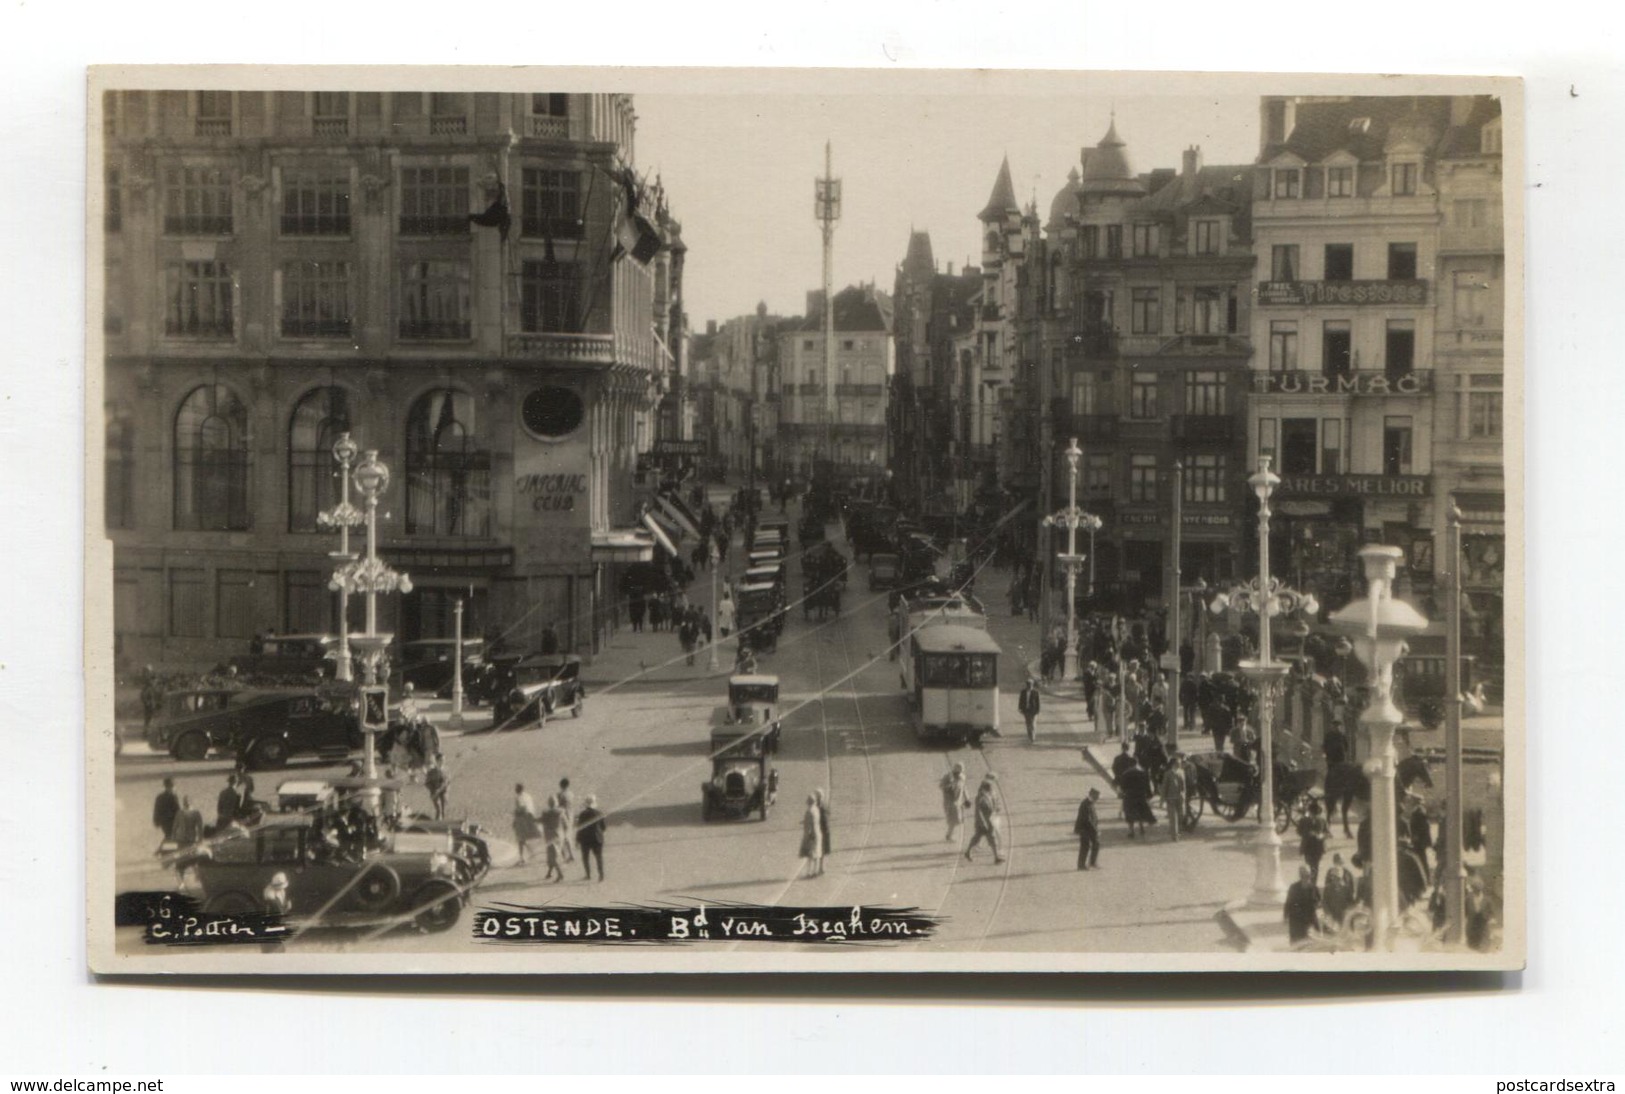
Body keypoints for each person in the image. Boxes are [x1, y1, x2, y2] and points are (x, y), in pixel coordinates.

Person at [964, 775, 1004, 863]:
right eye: (989, 787)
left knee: (978, 838)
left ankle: (968, 852)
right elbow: (978, 811)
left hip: (989, 820)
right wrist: (983, 823)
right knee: (989, 838)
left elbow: (994, 803)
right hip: (983, 822)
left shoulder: (989, 795)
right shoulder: (981, 797)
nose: (991, 788)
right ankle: (996, 857)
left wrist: (996, 808)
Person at [168, 796, 205, 884]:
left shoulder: (193, 813)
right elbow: (175, 826)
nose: (186, 803)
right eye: (185, 801)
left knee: (191, 860)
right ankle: (183, 882)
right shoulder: (182, 812)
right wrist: (173, 838)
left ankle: (196, 878)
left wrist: (200, 839)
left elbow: (200, 828)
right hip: (183, 840)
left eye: (187, 802)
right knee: (185, 861)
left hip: (188, 840)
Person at [1118, 758, 1155, 839]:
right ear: (1137, 763)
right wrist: (1149, 795)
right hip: (1140, 795)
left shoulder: (1125, 774)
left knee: (1129, 813)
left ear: (1129, 764)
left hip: (1129, 796)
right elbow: (1147, 785)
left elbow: (1123, 787)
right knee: (1140, 811)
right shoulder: (1143, 773)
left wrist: (1122, 794)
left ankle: (1131, 831)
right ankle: (1141, 827)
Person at [1284, 864, 1322, 944]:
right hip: (1297, 922)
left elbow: (1319, 903)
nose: (1306, 878)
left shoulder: (1314, 888)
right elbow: (1288, 903)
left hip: (1310, 920)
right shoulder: (1294, 888)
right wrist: (1286, 916)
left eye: (1307, 875)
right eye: (1303, 875)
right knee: (1297, 944)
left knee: (1312, 945)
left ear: (1310, 875)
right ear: (1300, 876)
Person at [1297, 799, 1330, 884]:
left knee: (1313, 866)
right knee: (1313, 866)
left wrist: (1320, 835)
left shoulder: (1305, 820)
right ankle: (1311, 883)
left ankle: (1312, 884)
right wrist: (1311, 834)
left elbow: (1299, 831)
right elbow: (1327, 833)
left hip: (1313, 847)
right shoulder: (1320, 820)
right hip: (1313, 847)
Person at [575, 794, 606, 881]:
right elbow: (603, 827)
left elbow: (579, 828)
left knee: (585, 857)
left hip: (585, 839)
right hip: (597, 838)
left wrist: (577, 840)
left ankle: (588, 875)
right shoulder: (600, 813)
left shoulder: (582, 814)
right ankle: (601, 875)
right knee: (599, 857)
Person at [1321, 853, 1356, 930]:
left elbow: (1351, 896)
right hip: (1332, 911)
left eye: (1341, 861)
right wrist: (1328, 914)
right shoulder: (1329, 881)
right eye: (1337, 861)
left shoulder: (1348, 874)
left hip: (1343, 911)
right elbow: (1325, 900)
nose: (1340, 863)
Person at [939, 762, 970, 842]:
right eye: (957, 772)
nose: (959, 774)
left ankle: (949, 835)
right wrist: (950, 785)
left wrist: (967, 799)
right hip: (950, 802)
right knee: (954, 820)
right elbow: (941, 786)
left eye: (960, 772)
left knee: (957, 820)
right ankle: (949, 836)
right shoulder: (947, 777)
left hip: (958, 802)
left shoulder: (962, 777)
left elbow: (964, 788)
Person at [512, 783, 541, 866]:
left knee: (520, 839)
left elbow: (521, 809)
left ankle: (522, 858)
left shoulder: (518, 798)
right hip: (528, 819)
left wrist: (515, 819)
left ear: (518, 789)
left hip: (521, 820)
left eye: (516, 788)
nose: (515, 789)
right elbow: (530, 808)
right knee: (522, 839)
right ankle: (530, 852)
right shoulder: (528, 796)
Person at [1161, 753, 1187, 842]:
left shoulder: (1181, 772)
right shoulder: (1168, 774)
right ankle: (1174, 836)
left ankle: (1177, 832)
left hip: (1179, 797)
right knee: (1173, 817)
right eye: (1178, 763)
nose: (1180, 764)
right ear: (1173, 764)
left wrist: (1184, 795)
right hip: (1171, 798)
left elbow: (1184, 786)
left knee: (1180, 816)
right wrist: (1162, 800)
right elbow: (1164, 787)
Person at [539, 795, 566, 882]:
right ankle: (549, 872)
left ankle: (560, 874)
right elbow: (566, 824)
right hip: (559, 835)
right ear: (556, 803)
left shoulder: (546, 813)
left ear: (549, 803)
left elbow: (540, 821)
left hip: (550, 837)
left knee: (552, 857)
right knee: (552, 856)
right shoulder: (561, 812)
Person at [1074, 788, 1102, 870]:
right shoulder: (1086, 804)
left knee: (1095, 844)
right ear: (1093, 795)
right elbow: (1087, 819)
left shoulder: (1089, 803)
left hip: (1089, 828)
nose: (1098, 798)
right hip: (1085, 829)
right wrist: (1095, 830)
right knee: (1085, 846)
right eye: (1097, 796)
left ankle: (1091, 863)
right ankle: (1081, 865)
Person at [152, 777, 180, 854]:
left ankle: (163, 850)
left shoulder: (159, 797)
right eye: (173, 786)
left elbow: (156, 810)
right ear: (172, 786)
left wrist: (156, 821)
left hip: (163, 821)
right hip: (171, 821)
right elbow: (177, 810)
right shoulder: (173, 796)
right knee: (171, 836)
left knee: (169, 835)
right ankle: (161, 850)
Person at [800, 794, 826, 877]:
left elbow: (808, 825)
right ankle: (815, 870)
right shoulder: (816, 810)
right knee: (817, 853)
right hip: (818, 833)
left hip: (811, 834)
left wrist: (808, 835)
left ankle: (809, 872)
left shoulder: (809, 811)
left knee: (810, 855)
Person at [557, 778, 576, 864]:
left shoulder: (561, 794)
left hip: (564, 816)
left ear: (561, 785)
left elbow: (559, 806)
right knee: (568, 835)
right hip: (571, 815)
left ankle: (568, 855)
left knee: (563, 836)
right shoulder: (571, 794)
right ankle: (571, 855)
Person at [1018, 677, 1041, 744]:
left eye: (1031, 684)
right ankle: (1029, 736)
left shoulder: (1035, 692)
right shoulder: (1023, 692)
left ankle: (1033, 738)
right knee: (1028, 724)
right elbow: (1021, 701)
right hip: (1026, 710)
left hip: (1033, 711)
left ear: (1032, 685)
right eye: (1028, 684)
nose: (1029, 686)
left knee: (1033, 724)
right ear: (1026, 685)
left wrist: (1038, 710)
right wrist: (1020, 708)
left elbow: (1038, 702)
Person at [814, 788, 832, 861]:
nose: (820, 798)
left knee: (823, 849)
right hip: (818, 829)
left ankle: (821, 867)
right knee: (817, 848)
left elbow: (828, 814)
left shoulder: (824, 805)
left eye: (820, 797)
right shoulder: (815, 806)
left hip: (824, 829)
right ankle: (817, 867)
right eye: (818, 797)